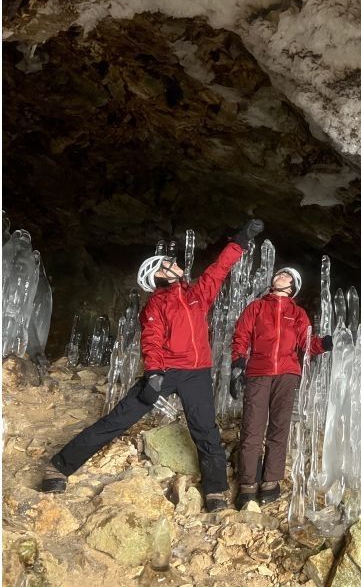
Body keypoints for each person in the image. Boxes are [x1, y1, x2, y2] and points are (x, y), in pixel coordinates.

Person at [41, 219, 264, 512]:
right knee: (118, 419)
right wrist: (154, 372)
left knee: (206, 431)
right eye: (168, 264)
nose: (175, 264)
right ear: (159, 275)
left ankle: (215, 492)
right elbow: (152, 340)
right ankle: (58, 467)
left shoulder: (196, 296)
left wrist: (240, 240)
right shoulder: (156, 306)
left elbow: (218, 270)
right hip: (165, 371)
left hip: (196, 373)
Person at [229, 266, 332, 509]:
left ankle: (271, 480)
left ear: (292, 287)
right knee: (252, 427)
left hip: (287, 374)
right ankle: (248, 483)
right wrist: (237, 364)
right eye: (279, 274)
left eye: (287, 276)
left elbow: (307, 344)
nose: (281, 275)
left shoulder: (297, 313)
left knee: (279, 428)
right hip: (259, 372)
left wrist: (325, 344)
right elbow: (241, 336)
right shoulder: (256, 307)